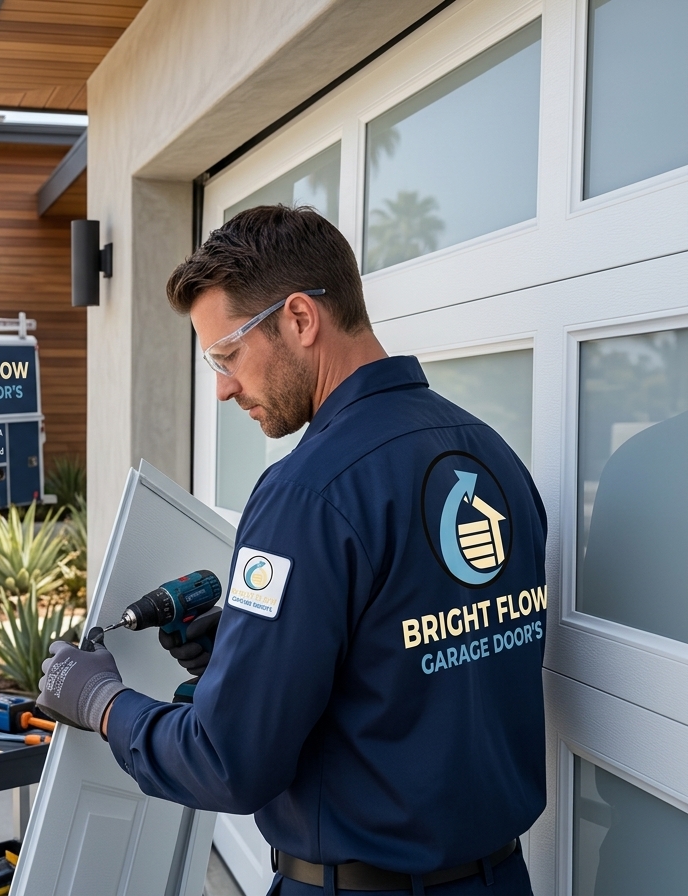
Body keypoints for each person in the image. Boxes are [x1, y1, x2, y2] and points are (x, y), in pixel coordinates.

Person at [36, 205, 548, 895]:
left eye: (227, 356)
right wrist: (250, 659)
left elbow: (227, 761)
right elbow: (413, 671)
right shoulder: (493, 458)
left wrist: (101, 701)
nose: (221, 388)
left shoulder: (307, 493)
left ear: (300, 319)